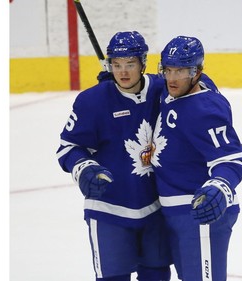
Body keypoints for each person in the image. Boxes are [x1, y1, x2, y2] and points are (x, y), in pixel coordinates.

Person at [56, 31, 172, 281]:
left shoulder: (162, 90)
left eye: (130, 64)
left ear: (143, 63)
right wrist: (84, 168)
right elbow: (68, 147)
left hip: (155, 207)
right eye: (116, 65)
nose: (123, 72)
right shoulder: (92, 101)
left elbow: (200, 87)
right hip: (109, 208)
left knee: (157, 275)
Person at [151, 36, 242, 281]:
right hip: (174, 211)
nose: (172, 78)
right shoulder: (176, 88)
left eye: (182, 71)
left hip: (201, 212)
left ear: (197, 72)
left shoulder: (205, 109)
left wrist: (220, 183)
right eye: (168, 70)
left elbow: (230, 161)